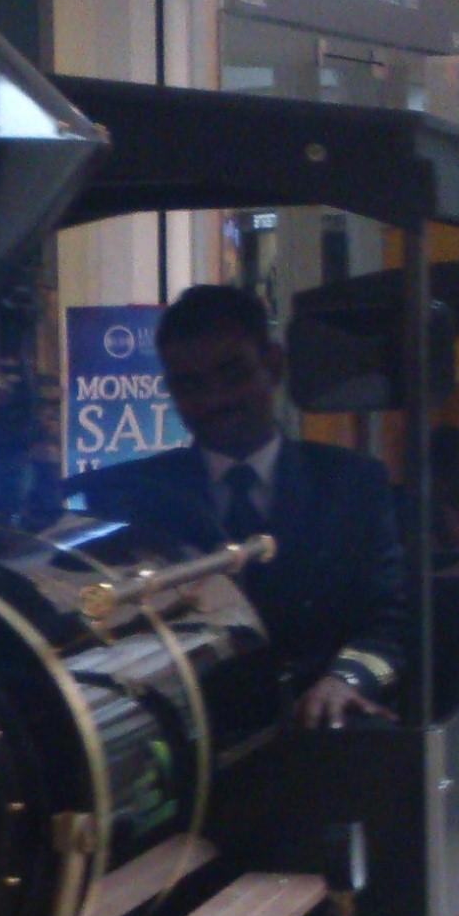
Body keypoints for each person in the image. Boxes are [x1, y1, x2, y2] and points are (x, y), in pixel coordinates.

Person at [77, 279, 409, 723]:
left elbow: (391, 624)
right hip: (192, 732)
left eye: (233, 374)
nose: (215, 399)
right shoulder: (129, 497)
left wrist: (346, 679)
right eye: (191, 384)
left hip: (316, 729)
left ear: (273, 365)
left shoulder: (350, 485)